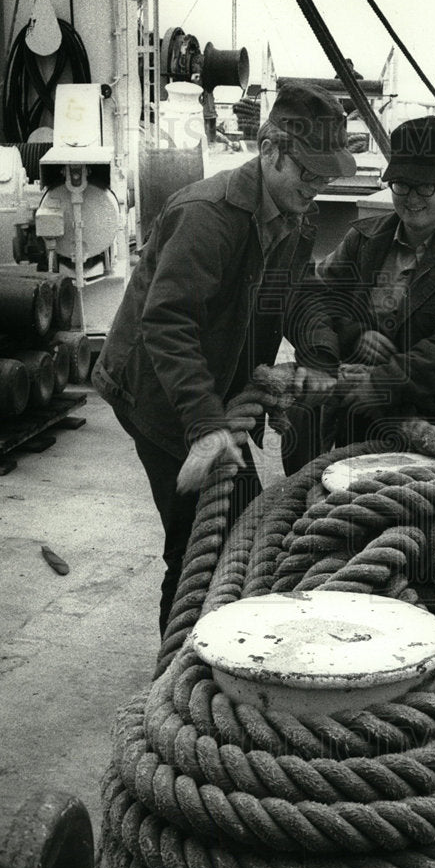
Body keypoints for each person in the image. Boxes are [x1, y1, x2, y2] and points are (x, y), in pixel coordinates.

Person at [92, 82, 356, 637]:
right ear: (269, 150)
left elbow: (299, 300)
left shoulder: (293, 217)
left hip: (214, 386)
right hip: (157, 393)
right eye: (307, 174)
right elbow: (166, 323)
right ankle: (174, 683)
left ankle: (210, 656)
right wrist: (207, 426)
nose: (316, 188)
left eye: (325, 177)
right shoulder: (206, 216)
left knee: (243, 532)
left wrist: (316, 364)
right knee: (200, 548)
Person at [284, 115, 435, 471]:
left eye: (425, 187)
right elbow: (317, 302)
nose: (411, 198)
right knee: (304, 412)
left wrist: (384, 380)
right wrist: (354, 336)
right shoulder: (363, 240)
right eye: (401, 185)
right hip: (365, 422)